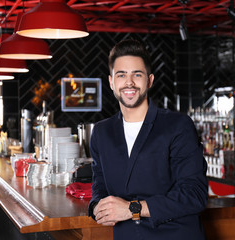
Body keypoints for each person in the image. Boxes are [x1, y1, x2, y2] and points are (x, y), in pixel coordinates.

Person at [88, 39, 208, 240]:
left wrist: (132, 209)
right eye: (121, 75)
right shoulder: (102, 132)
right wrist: (96, 207)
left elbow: (194, 195)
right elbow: (99, 185)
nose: (129, 82)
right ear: (111, 82)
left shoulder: (177, 125)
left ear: (149, 80)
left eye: (137, 74)